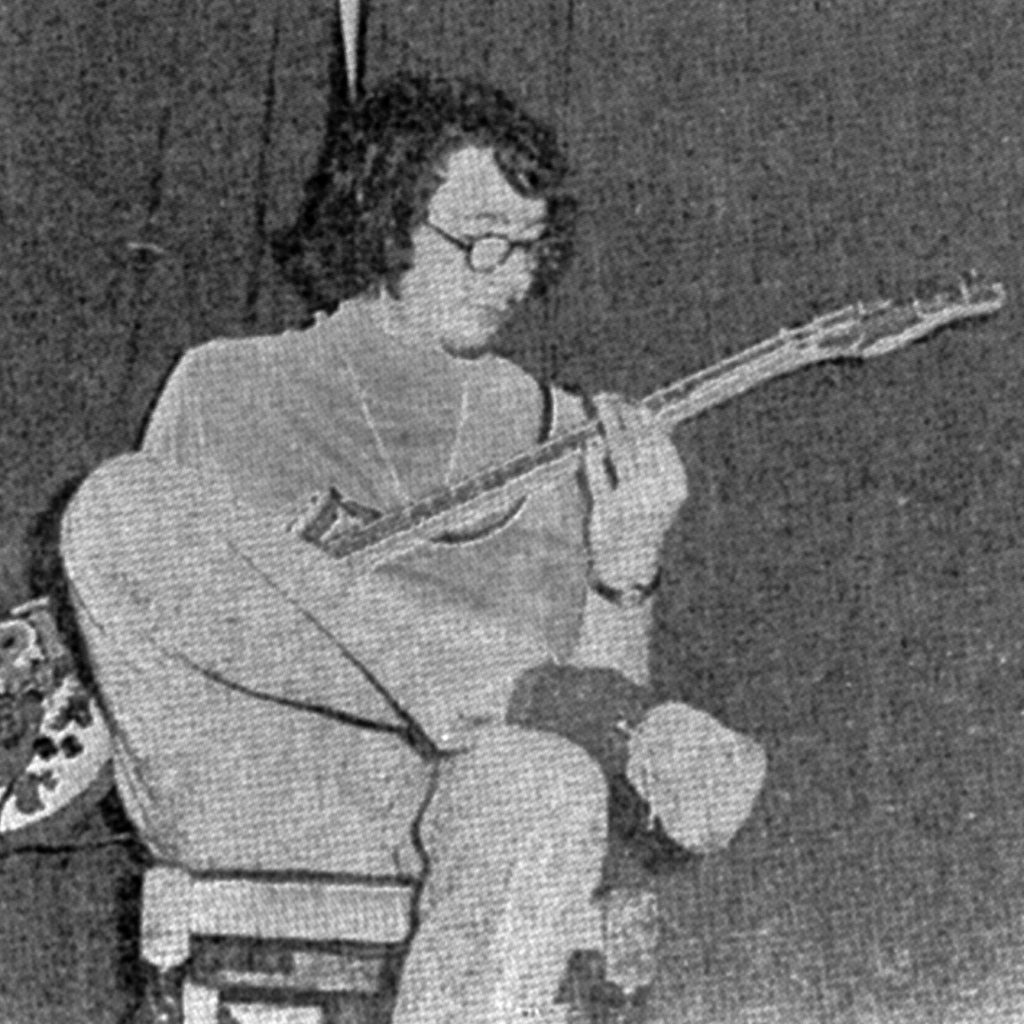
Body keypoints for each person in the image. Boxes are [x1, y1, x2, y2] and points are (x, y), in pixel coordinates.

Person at [61, 75, 766, 1024]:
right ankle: (532, 690)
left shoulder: (568, 433)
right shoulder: (230, 386)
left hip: (449, 808)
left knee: (553, 778)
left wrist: (625, 570)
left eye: (529, 247)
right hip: (254, 786)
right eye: (478, 240)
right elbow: (171, 613)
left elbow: (613, 764)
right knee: (118, 507)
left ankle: (542, 701)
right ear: (385, 217)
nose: (509, 277)